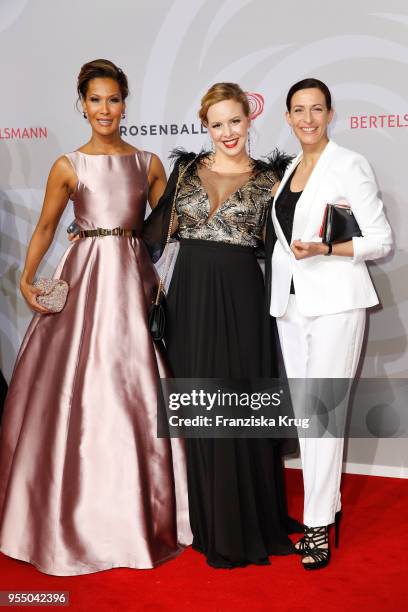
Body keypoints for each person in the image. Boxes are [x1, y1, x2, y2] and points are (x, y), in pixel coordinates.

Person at [0, 59, 191, 576]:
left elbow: (167, 230)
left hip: (132, 277)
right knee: (75, 384)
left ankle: (143, 508)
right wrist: (27, 277)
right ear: (81, 105)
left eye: (113, 99)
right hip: (83, 275)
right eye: (95, 100)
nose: (104, 109)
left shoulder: (149, 162)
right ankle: (66, 510)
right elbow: (44, 227)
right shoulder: (68, 164)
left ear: (125, 103)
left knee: (135, 379)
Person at [143, 82, 302, 569]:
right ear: (204, 126)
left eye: (236, 121)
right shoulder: (186, 169)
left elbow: (291, 243)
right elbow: (152, 234)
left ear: (249, 120)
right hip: (190, 297)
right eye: (218, 123)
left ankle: (252, 522)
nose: (228, 132)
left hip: (241, 298)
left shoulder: (273, 179)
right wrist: (96, 234)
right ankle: (211, 524)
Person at [265, 78, 392, 569]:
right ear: (287, 116)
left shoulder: (349, 163)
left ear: (331, 114)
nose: (308, 119)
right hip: (293, 306)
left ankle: (318, 523)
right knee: (307, 416)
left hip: (337, 300)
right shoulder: (291, 168)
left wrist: (327, 249)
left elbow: (379, 240)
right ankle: (324, 508)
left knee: (324, 415)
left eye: (317, 109)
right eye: (299, 110)